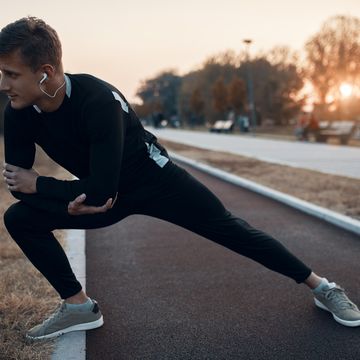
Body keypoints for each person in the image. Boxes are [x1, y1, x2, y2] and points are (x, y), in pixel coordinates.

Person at [0, 17, 359, 341]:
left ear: (44, 72)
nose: (3, 84)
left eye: (11, 74)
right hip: (101, 194)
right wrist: (67, 199)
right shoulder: (18, 112)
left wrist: (48, 187)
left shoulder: (99, 101)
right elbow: (20, 187)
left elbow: (94, 189)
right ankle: (78, 306)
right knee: (19, 219)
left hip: (154, 180)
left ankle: (322, 287)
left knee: (232, 229)